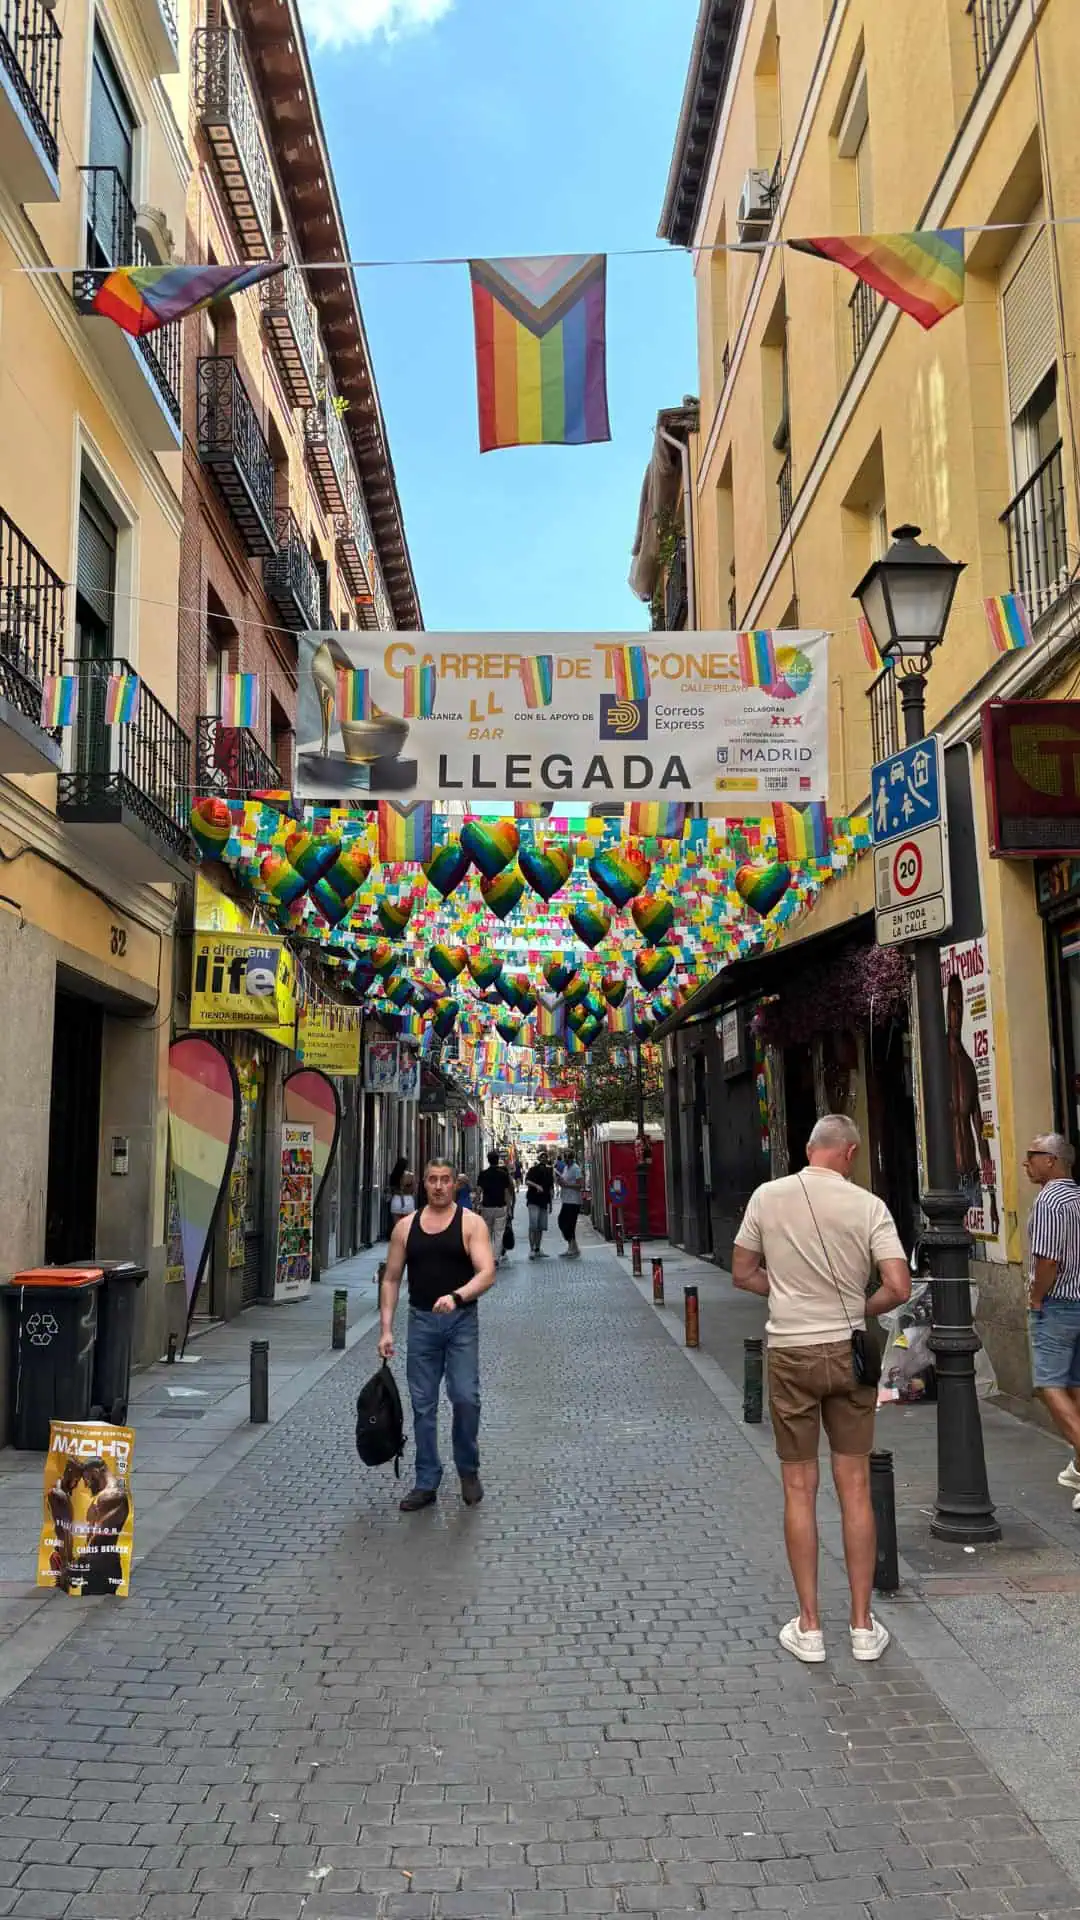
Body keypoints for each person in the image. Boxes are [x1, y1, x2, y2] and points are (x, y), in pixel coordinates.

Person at [732, 1114, 911, 1666]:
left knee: (798, 1487)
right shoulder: (868, 1205)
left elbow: (742, 1272)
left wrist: (783, 1294)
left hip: (789, 1353)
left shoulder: (767, 1196)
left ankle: (809, 1626)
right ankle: (861, 1625)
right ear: (850, 1152)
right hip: (848, 1350)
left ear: (808, 1149)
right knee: (854, 1485)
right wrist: (860, 1307)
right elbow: (898, 1285)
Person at [379, 1159, 497, 1511]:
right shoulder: (406, 1228)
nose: (439, 1186)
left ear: (455, 1184)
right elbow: (391, 1279)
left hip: (461, 1322)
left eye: (446, 1180)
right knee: (423, 1406)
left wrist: (457, 1296)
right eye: (432, 1179)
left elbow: (487, 1272)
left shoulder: (471, 1223)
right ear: (424, 1184)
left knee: (465, 1398)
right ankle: (426, 1480)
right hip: (421, 1324)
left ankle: (467, 1469)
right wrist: (386, 1330)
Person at [1024, 1132, 1080, 1504]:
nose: (1026, 1163)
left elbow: (1048, 1261)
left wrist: (1035, 1298)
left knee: (1049, 1383)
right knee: (1075, 1382)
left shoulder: (1049, 1200)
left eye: (1032, 1155)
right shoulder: (1077, 1196)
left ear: (1052, 1160)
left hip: (1058, 1303)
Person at [476, 1149, 515, 1264]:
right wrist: (509, 1208)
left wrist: (477, 1204)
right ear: (498, 1160)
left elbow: (479, 1191)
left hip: (487, 1206)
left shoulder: (483, 1174)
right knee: (499, 1233)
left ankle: (487, 1256)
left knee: (487, 1232)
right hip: (500, 1207)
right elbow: (506, 1193)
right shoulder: (503, 1174)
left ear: (488, 1160)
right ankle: (495, 1258)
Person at [525, 1149, 555, 1258]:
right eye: (542, 1157)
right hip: (533, 1200)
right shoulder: (533, 1169)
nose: (544, 1159)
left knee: (541, 1226)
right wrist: (536, 1186)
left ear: (547, 1159)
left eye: (545, 1157)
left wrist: (550, 1204)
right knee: (533, 1225)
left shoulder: (549, 1171)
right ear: (539, 1159)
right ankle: (532, 1249)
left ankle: (537, 1248)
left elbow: (551, 1188)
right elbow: (527, 1181)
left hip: (544, 1201)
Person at [557, 1153, 584, 1257]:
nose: (566, 1160)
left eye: (568, 1158)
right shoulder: (565, 1168)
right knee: (563, 1222)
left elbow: (580, 1185)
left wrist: (567, 1185)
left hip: (573, 1201)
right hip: (566, 1200)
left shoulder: (575, 1168)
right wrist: (560, 1181)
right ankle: (573, 1246)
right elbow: (564, 1181)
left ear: (572, 1158)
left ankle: (573, 1247)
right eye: (565, 1158)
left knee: (569, 1224)